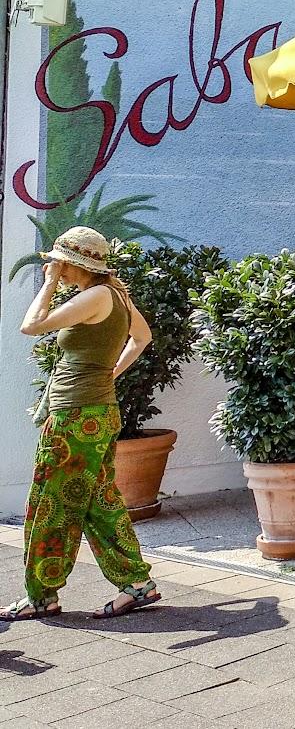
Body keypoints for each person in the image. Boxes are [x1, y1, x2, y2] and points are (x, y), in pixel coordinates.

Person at [3, 227, 160, 621]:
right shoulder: (116, 294)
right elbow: (142, 337)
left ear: (76, 264)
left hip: (75, 417)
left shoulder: (93, 297)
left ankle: (41, 596)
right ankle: (137, 584)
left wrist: (50, 283)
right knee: (98, 501)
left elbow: (32, 325)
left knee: (52, 505)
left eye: (61, 264)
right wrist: (108, 374)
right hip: (98, 412)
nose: (57, 269)